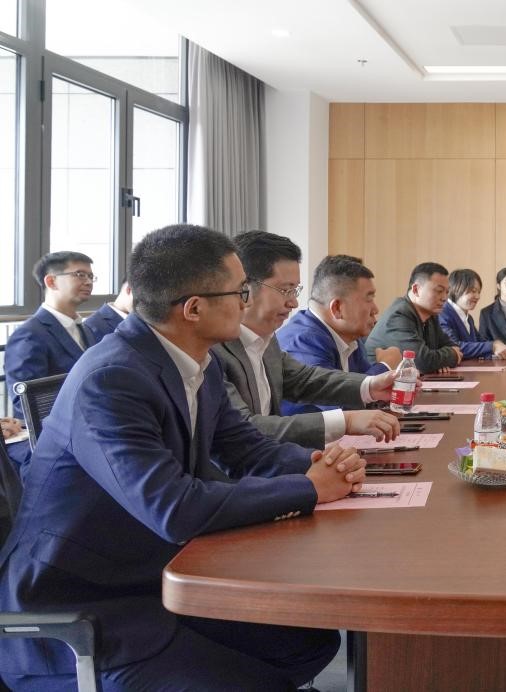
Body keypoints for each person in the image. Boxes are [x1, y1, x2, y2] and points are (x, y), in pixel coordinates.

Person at [0, 224, 361, 690]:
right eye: (240, 291)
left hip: (151, 574)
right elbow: (172, 508)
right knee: (255, 678)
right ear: (193, 309)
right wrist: (309, 489)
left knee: (307, 643)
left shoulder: (195, 362)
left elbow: (246, 449)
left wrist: (321, 464)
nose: (247, 302)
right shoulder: (111, 379)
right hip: (83, 610)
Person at [214, 232, 400, 450]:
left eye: (295, 290)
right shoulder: (214, 349)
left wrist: (370, 386)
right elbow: (245, 429)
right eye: (285, 290)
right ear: (244, 288)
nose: (293, 303)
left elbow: (304, 379)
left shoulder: (266, 340)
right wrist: (346, 422)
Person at [275, 255, 398, 416]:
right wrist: (386, 366)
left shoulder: (350, 337)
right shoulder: (303, 341)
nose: (375, 309)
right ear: (337, 308)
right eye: (368, 299)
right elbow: (340, 407)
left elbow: (366, 395)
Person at [3, 251, 97, 421]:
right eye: (80, 274)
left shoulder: (85, 329)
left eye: (91, 276)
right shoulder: (28, 334)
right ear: (51, 281)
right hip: (59, 431)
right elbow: (27, 403)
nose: (88, 282)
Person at [366, 261, 464, 372]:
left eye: (447, 292)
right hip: (376, 379)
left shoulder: (431, 315)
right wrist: (449, 357)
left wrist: (439, 361)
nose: (444, 298)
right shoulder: (399, 315)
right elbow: (421, 362)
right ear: (416, 289)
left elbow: (452, 346)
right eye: (439, 291)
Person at [439, 269, 506, 360]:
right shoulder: (443, 314)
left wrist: (504, 349)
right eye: (473, 291)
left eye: (479, 292)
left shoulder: (469, 318)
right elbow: (454, 347)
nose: (478, 296)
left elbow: (479, 342)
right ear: (456, 289)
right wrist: (492, 346)